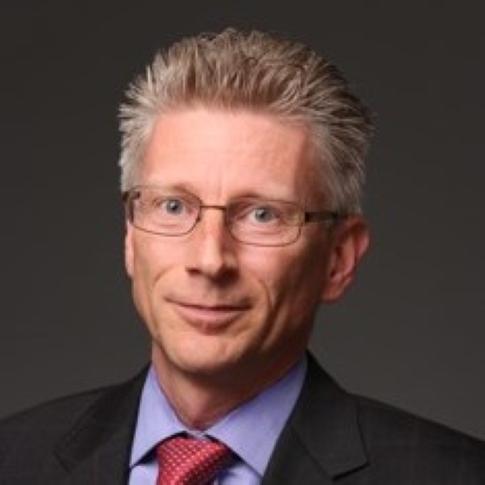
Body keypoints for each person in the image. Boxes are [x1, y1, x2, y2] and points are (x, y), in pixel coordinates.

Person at [0, 28, 484, 485]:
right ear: (130, 236)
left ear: (339, 258)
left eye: (262, 215)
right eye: (173, 206)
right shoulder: (14, 458)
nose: (210, 260)